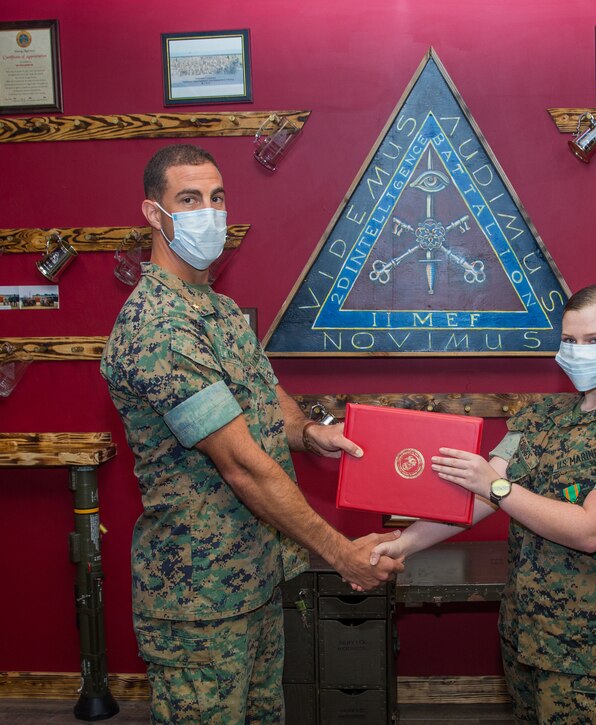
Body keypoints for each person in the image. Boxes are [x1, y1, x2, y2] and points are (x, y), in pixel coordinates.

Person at [100, 143, 404, 723]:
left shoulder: (214, 308)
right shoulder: (160, 326)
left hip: (254, 579)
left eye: (217, 197)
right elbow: (239, 462)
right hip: (200, 597)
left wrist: (312, 432)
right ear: (152, 213)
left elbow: (263, 402)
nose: (209, 211)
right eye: (189, 199)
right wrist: (342, 554)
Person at [371, 284, 596, 724]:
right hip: (527, 635)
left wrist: (498, 488)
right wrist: (403, 544)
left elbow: (591, 530)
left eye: (594, 341)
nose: (578, 351)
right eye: (569, 340)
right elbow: (477, 499)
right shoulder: (543, 416)